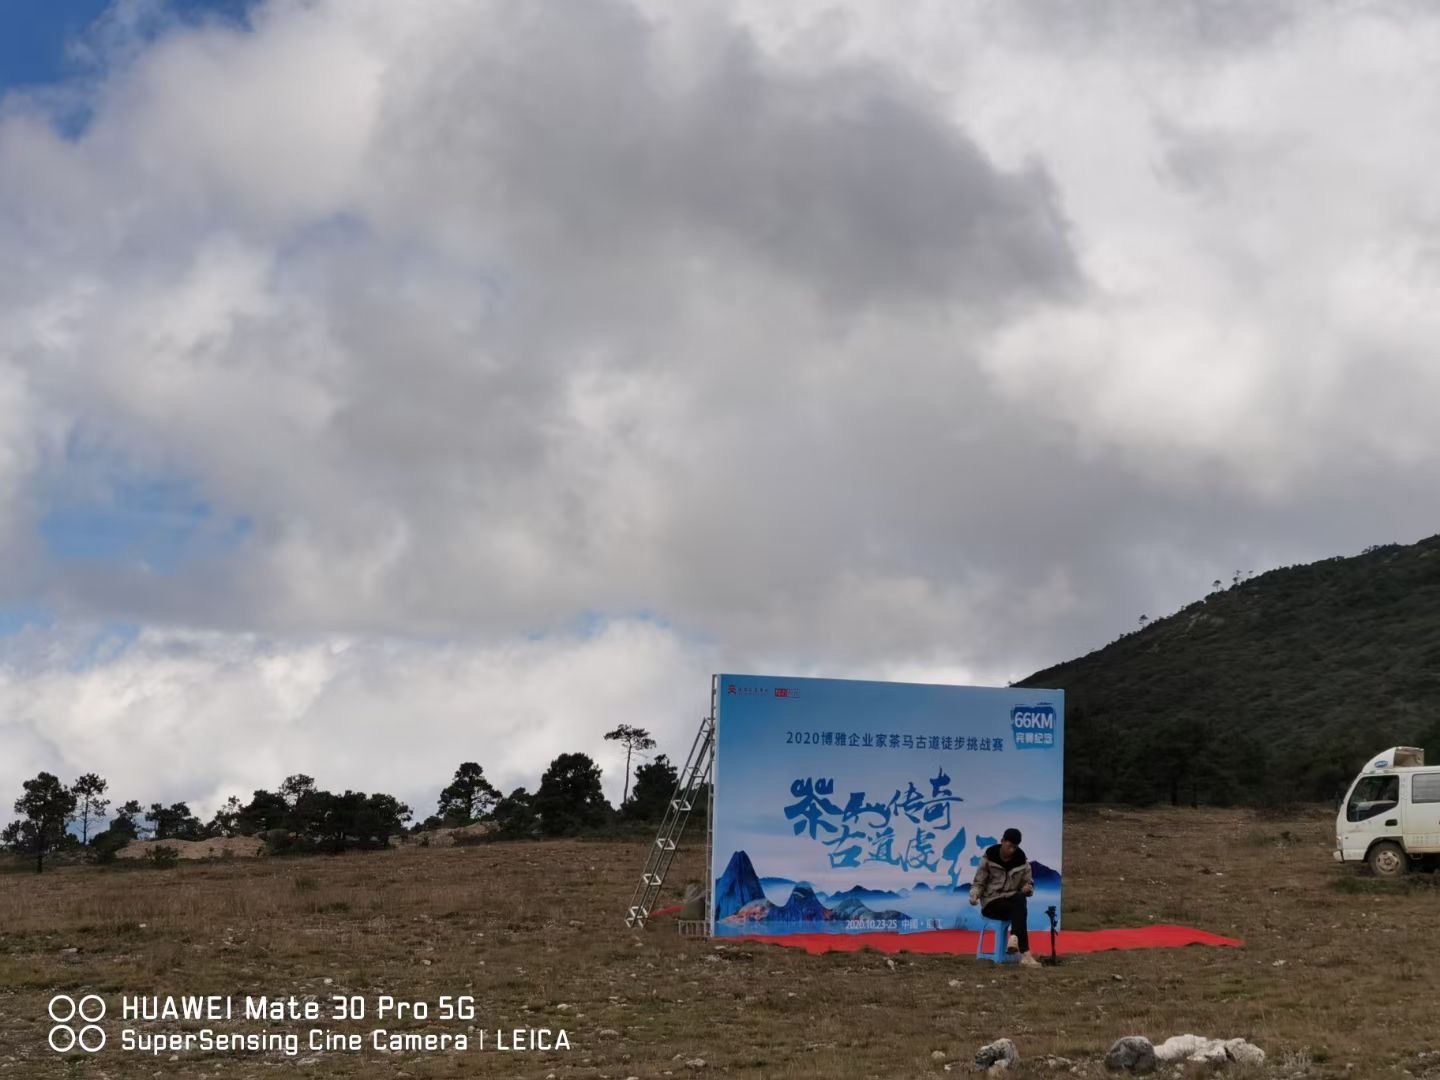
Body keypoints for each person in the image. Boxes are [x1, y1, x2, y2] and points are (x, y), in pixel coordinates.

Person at [969, 827, 1040, 967]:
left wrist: (1027, 889)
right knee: (1019, 909)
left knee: (1020, 900)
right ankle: (1025, 953)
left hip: (1011, 900)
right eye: (1009, 846)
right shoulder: (989, 858)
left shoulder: (1022, 862)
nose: (1012, 850)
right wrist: (974, 894)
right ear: (1002, 841)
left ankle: (1014, 939)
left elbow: (1028, 883)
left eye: (1015, 847)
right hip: (992, 902)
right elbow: (978, 882)